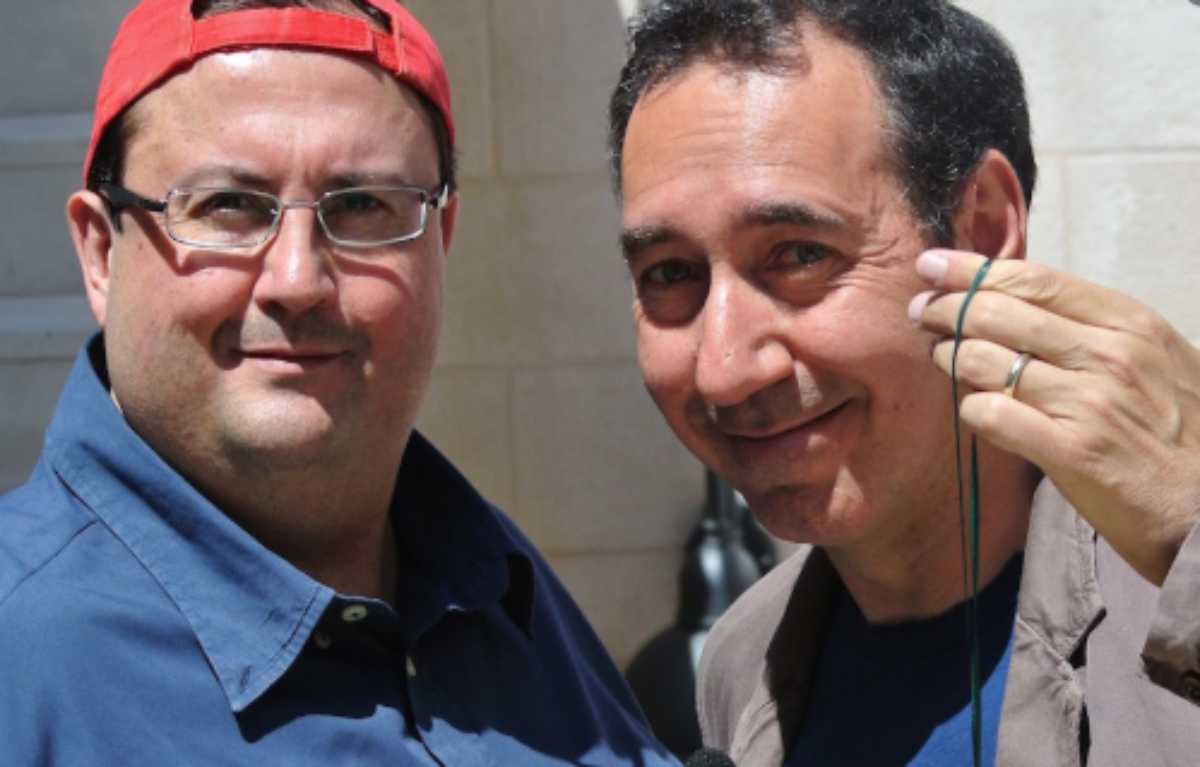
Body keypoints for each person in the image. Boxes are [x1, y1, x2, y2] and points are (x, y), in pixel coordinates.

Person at [0, 1, 675, 764]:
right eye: (227, 206)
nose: (298, 280)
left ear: (440, 244)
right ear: (101, 253)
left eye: (361, 207)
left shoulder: (505, 593)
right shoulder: (20, 663)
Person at [608, 0, 1200, 764]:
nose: (723, 370)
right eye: (670, 274)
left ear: (983, 228)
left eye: (799, 255)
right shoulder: (741, 664)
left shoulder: (1166, 596)